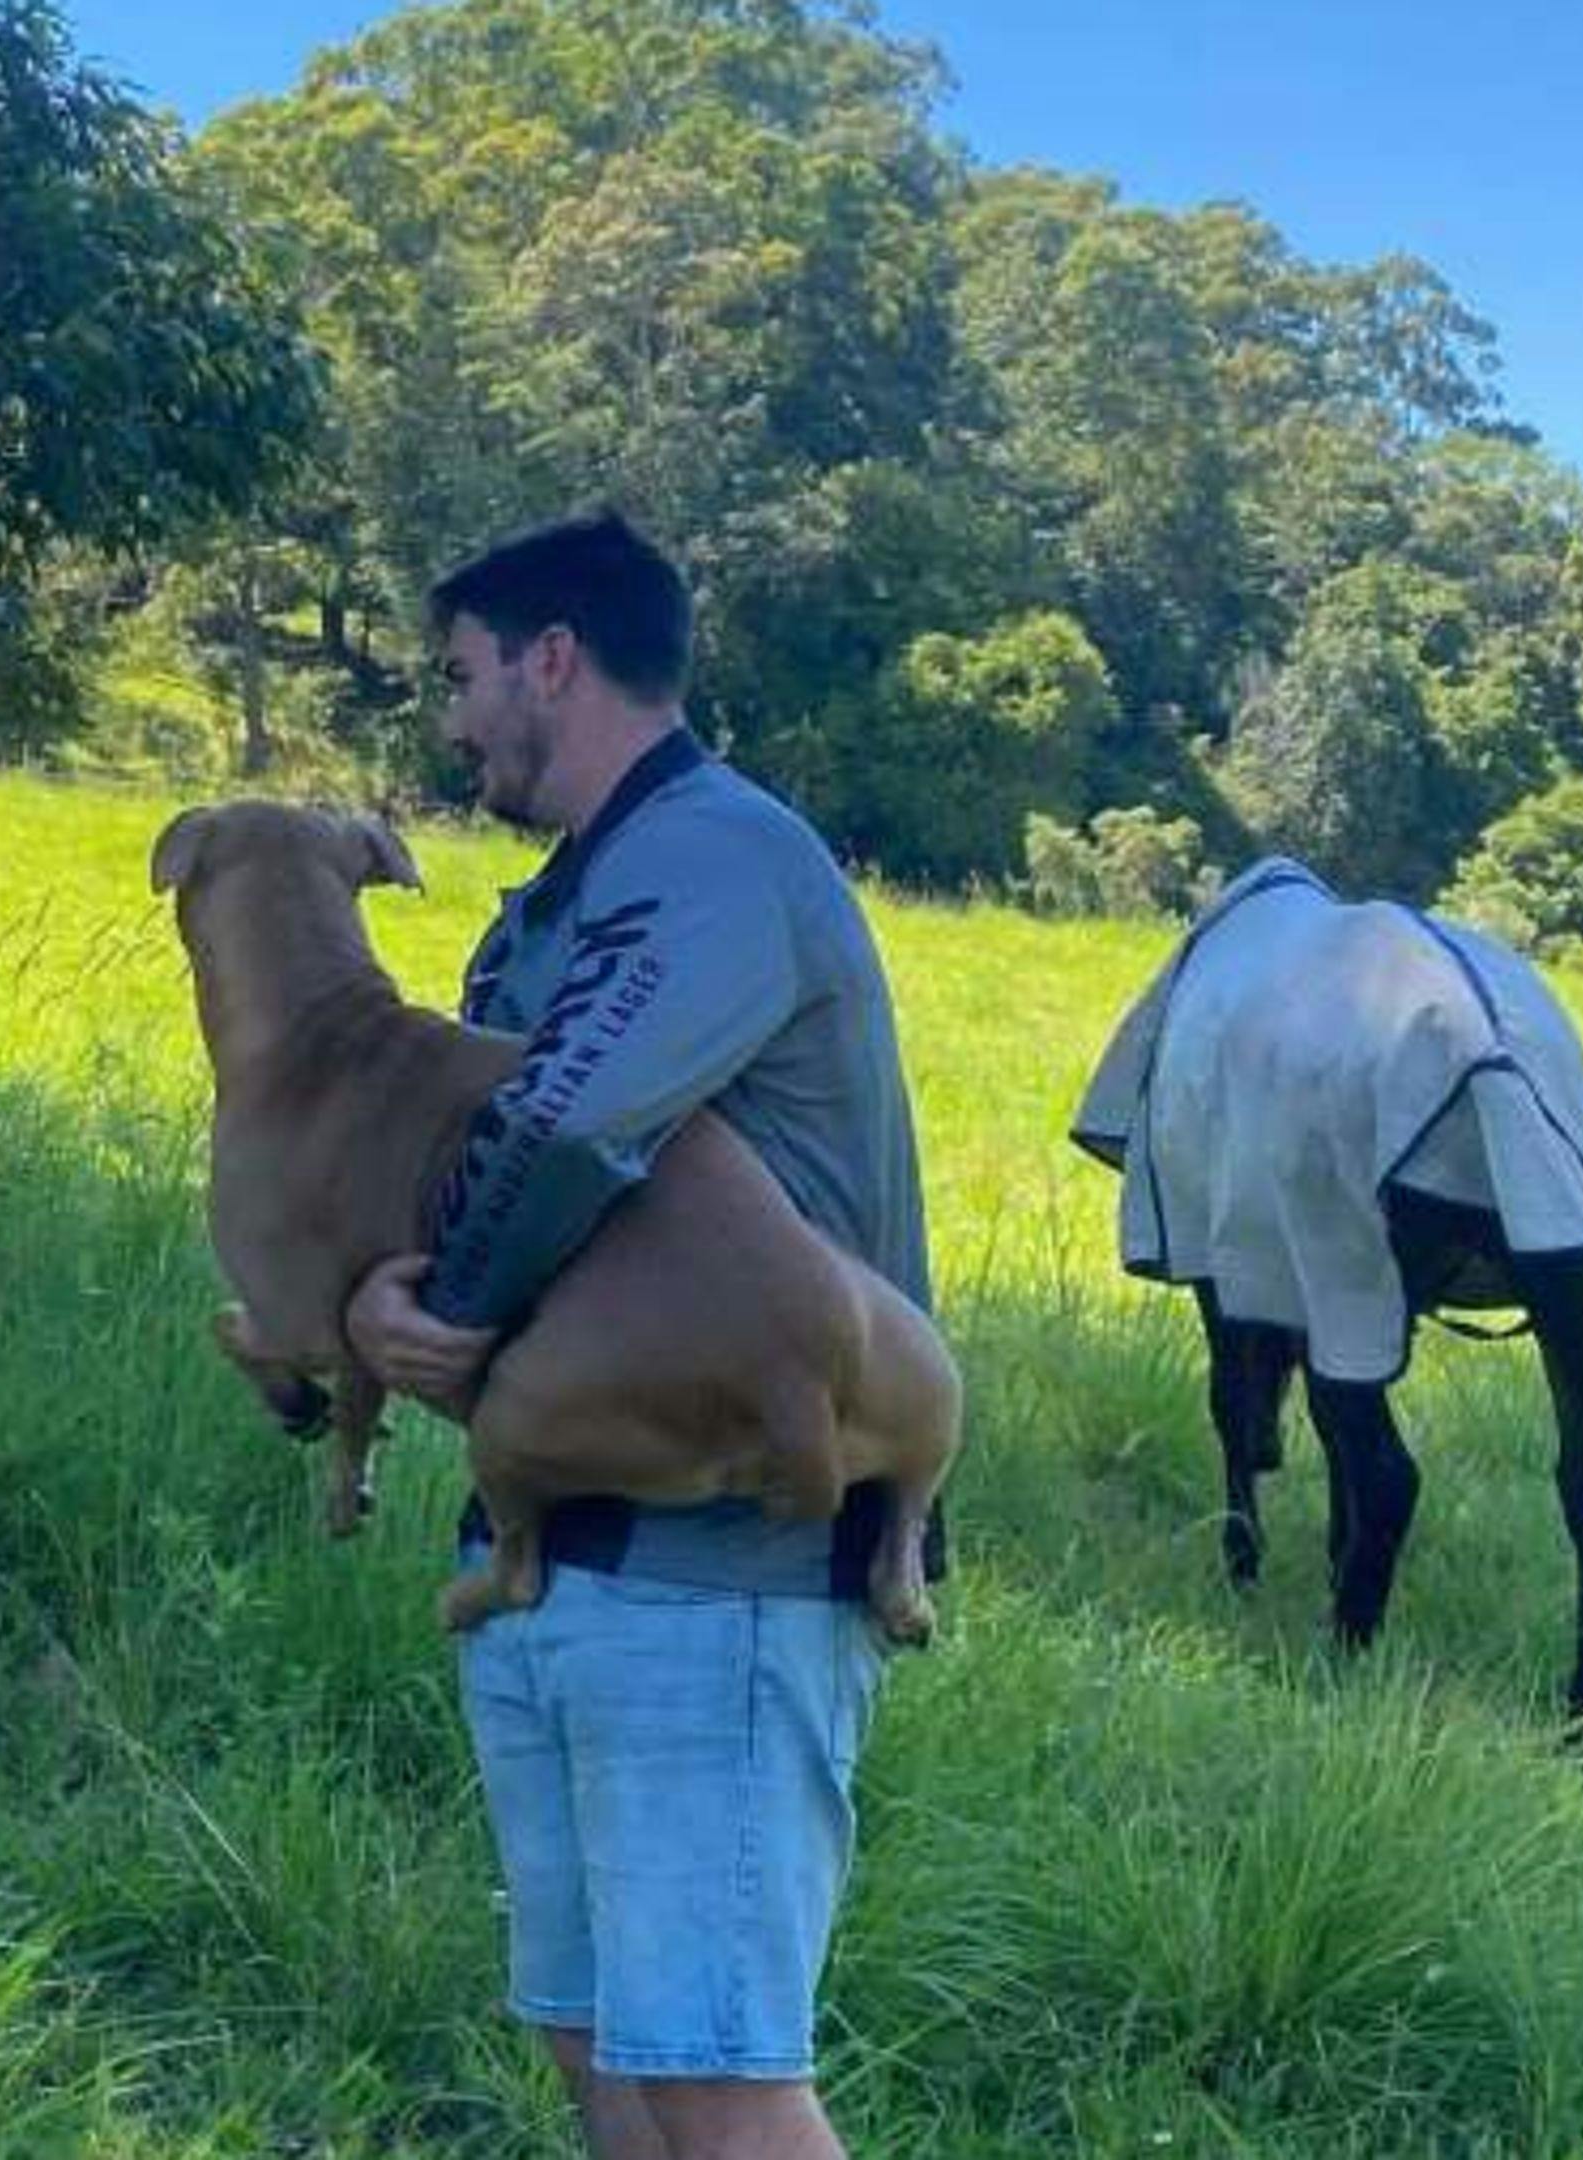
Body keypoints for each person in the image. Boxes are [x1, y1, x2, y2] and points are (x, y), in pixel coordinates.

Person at [342, 513, 934, 2160]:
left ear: (554, 658)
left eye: (461, 675)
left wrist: (440, 1316)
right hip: (562, 1559)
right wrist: (364, 1304)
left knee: (720, 2083)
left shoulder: (724, 860)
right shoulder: (568, 902)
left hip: (717, 1570)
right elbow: (458, 1148)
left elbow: (573, 1124)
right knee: (601, 2047)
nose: (449, 719)